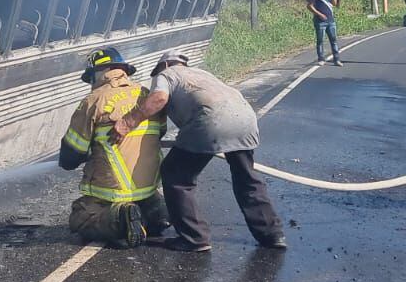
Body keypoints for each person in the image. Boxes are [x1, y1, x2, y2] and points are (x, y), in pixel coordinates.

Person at [113, 50, 286, 251]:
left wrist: (128, 122)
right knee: (247, 178)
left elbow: (159, 99)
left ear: (166, 65)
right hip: (245, 119)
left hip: (210, 122)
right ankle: (272, 235)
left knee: (176, 175)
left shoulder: (166, 75)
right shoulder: (204, 74)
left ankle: (193, 237)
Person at [58, 47, 169, 248]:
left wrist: (84, 151)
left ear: (97, 73)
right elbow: (160, 132)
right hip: (147, 187)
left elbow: (71, 156)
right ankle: (157, 213)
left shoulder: (94, 101)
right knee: (148, 200)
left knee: (80, 216)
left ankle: (121, 217)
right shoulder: (146, 95)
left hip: (114, 191)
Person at [307, 0, 343, 66]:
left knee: (333, 40)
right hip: (320, 21)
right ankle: (321, 58)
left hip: (331, 21)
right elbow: (309, 6)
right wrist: (319, 14)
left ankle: (336, 59)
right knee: (320, 40)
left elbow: (334, 4)